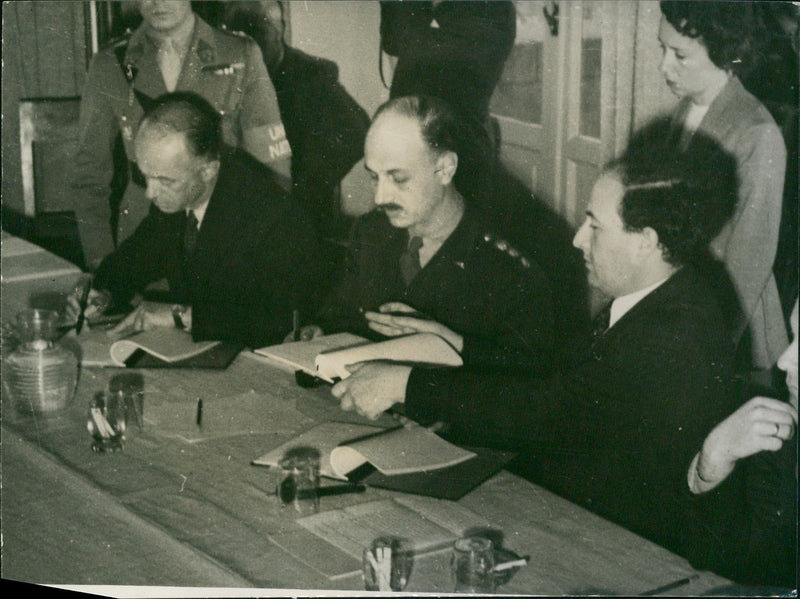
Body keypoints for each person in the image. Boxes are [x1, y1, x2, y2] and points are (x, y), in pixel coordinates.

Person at [331, 120, 741, 564]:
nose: (578, 238)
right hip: (583, 515)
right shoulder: (656, 297)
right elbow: (560, 376)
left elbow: (548, 411)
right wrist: (458, 344)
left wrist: (406, 385)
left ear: (645, 242)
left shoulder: (676, 331)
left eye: (595, 226)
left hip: (620, 550)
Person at [300, 95, 556, 372]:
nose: (380, 196)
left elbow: (523, 383)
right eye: (374, 176)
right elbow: (344, 313)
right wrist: (320, 330)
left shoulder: (508, 268)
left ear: (445, 169)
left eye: (398, 179)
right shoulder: (371, 232)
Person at [68, 92, 319, 350]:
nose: (150, 193)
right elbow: (135, 258)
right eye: (145, 176)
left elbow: (278, 319)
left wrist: (180, 315)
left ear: (208, 170)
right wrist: (102, 294)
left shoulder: (274, 216)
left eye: (164, 181)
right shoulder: (179, 194)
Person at [71, 0, 292, 269]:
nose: (158, 2)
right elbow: (89, 177)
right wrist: (102, 264)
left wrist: (265, 250)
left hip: (224, 234)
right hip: (141, 244)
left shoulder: (240, 54)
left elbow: (273, 168)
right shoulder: (110, 64)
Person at [658, 1, 788, 370]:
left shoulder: (757, 134)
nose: (663, 66)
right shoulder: (685, 110)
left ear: (724, 53)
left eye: (679, 55)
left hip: (728, 326)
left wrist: (705, 350)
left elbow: (747, 268)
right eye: (662, 49)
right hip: (682, 304)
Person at [222, 1, 370, 241]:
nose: (250, 51)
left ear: (279, 31)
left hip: (301, 212)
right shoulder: (231, 72)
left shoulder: (312, 75)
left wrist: (305, 182)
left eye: (257, 37)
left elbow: (357, 131)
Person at [688, 299, 798, 589]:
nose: (785, 360)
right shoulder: (780, 437)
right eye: (795, 337)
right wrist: (712, 461)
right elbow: (718, 566)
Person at [379, 0, 516, 198]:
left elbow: (414, 44)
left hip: (460, 144)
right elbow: (393, 42)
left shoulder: (494, 8)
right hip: (411, 138)